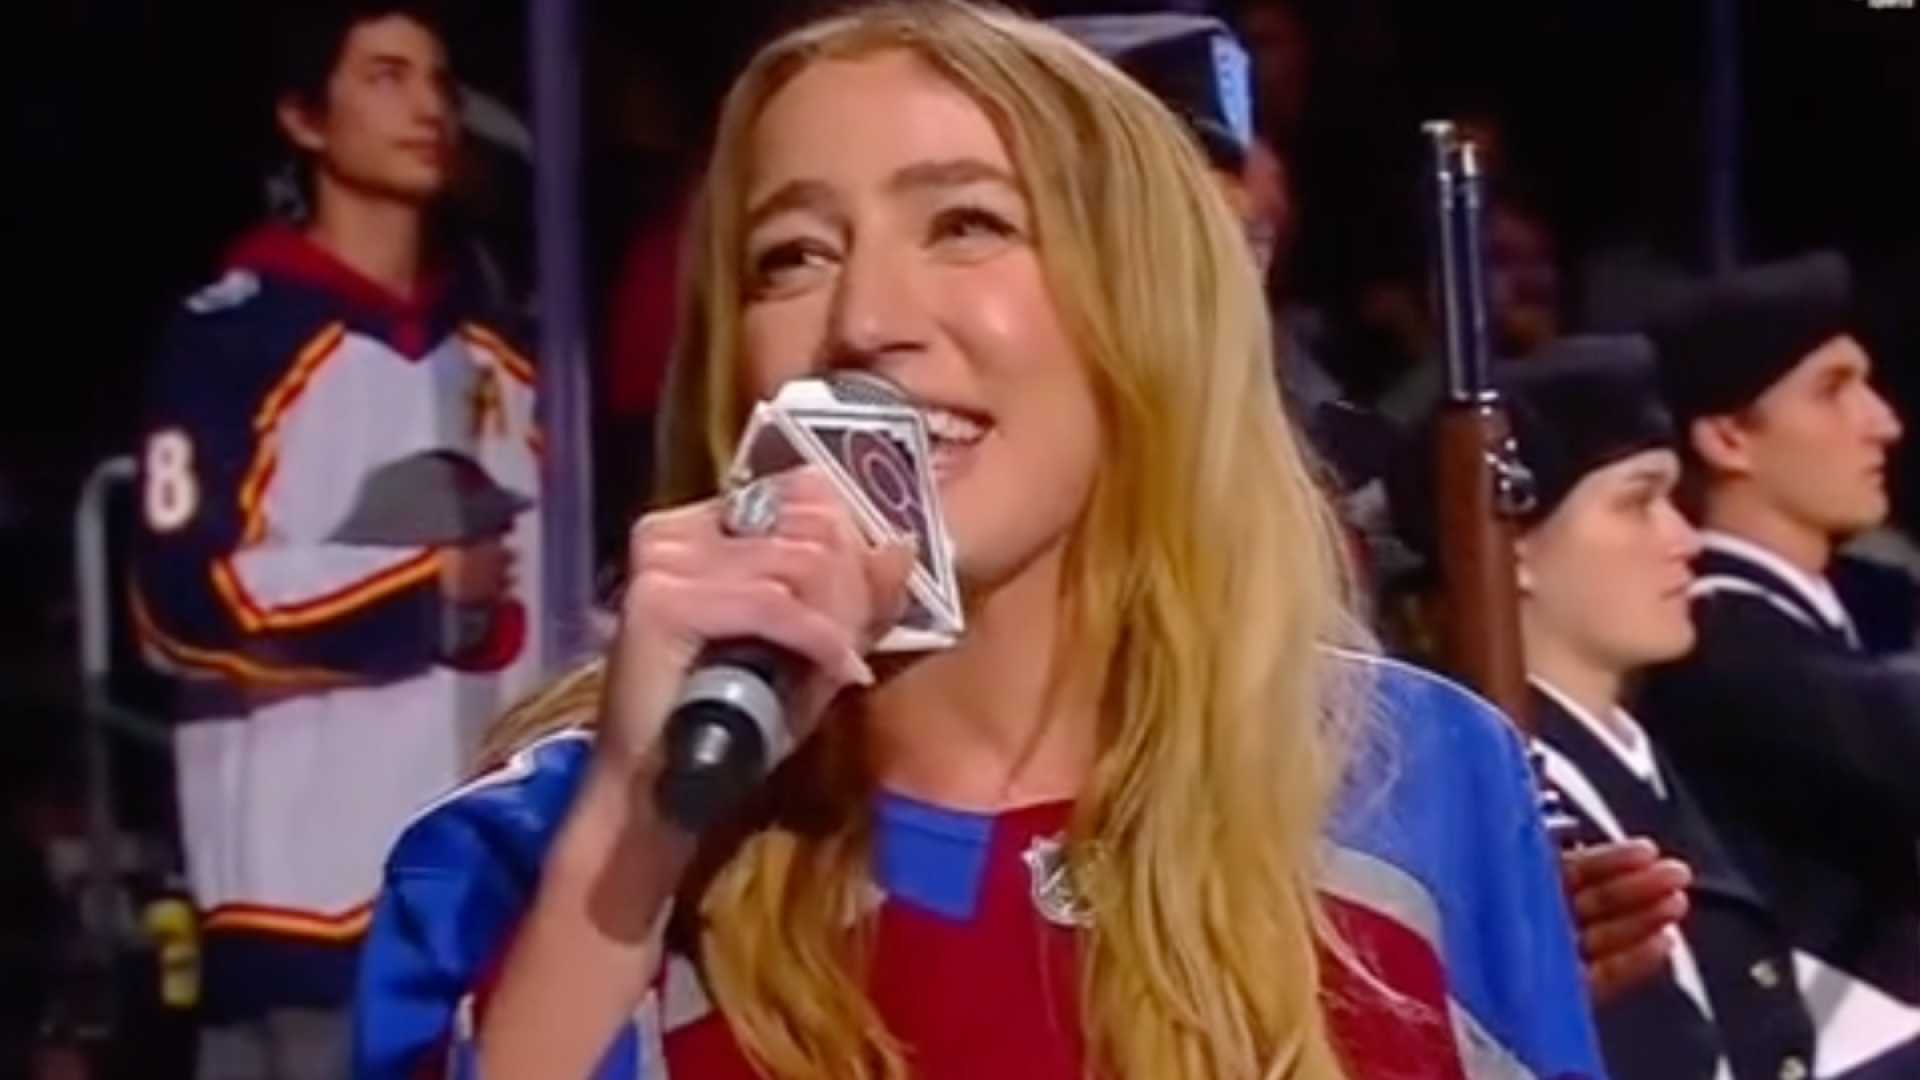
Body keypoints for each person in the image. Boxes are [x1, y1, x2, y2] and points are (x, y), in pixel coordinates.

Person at [354, 5, 1600, 1078]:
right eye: (791, 255)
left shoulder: (1414, 772)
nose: (870, 322)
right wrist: (637, 828)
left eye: (966, 226)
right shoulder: (532, 846)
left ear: (1143, 307)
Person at [131, 2, 542, 1074]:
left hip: (500, 897)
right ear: (305, 119)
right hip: (305, 903)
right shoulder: (233, 335)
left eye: (440, 81)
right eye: (387, 77)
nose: (427, 107)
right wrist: (422, 590)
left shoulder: (505, 350)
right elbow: (179, 599)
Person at [1504, 336, 1821, 1080]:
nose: (1684, 539)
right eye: (1638, 501)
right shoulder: (1516, 790)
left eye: (1675, 501)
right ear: (1515, 545)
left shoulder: (1633, 755)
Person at [1637, 252, 1920, 1078]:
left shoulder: (1856, 605)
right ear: (1728, 437)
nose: (1882, 422)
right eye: (1833, 390)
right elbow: (1890, 730)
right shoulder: (1712, 637)